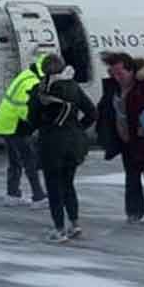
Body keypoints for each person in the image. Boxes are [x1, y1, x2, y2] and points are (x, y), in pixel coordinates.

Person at [96, 52, 144, 224]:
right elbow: (105, 107)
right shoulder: (113, 87)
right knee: (131, 177)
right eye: (113, 73)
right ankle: (134, 213)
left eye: (120, 73)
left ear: (130, 71)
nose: (117, 77)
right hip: (126, 140)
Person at [27, 55, 97, 243]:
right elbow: (92, 112)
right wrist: (78, 128)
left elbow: (31, 119)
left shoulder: (41, 89)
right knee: (68, 184)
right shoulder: (74, 87)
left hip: (52, 143)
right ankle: (75, 224)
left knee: (53, 186)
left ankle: (59, 228)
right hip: (74, 143)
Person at [0, 54, 48, 208]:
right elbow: (24, 109)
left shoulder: (26, 75)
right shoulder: (32, 83)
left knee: (15, 161)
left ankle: (12, 194)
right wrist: (36, 125)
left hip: (5, 123)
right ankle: (39, 196)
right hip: (16, 126)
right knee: (29, 161)